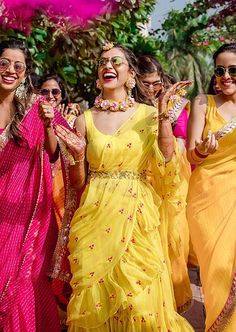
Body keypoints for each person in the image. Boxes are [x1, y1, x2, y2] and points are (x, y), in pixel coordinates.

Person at [54, 42, 194, 331]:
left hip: (136, 215)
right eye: (103, 61)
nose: (108, 66)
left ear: (131, 73)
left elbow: (166, 163)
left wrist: (164, 118)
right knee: (97, 302)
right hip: (95, 215)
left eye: (116, 61)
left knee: (139, 303)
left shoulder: (147, 114)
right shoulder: (84, 119)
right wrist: (77, 157)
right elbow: (79, 183)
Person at [0, 39, 67, 331]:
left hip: (24, 214)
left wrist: (49, 125)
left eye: (18, 66)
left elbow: (56, 153)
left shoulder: (35, 108)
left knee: (21, 279)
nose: (10, 70)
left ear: (26, 74)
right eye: (3, 63)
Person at [137, 54, 192, 313]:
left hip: (176, 174)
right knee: (150, 231)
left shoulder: (179, 104)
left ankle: (170, 295)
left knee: (174, 232)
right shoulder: (131, 106)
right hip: (143, 173)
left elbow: (188, 140)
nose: (150, 88)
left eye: (155, 82)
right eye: (144, 83)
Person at [187, 43, 236, 331]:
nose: (226, 76)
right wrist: (203, 151)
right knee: (217, 269)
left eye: (233, 70)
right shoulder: (203, 102)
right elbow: (190, 154)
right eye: (220, 70)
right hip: (208, 195)